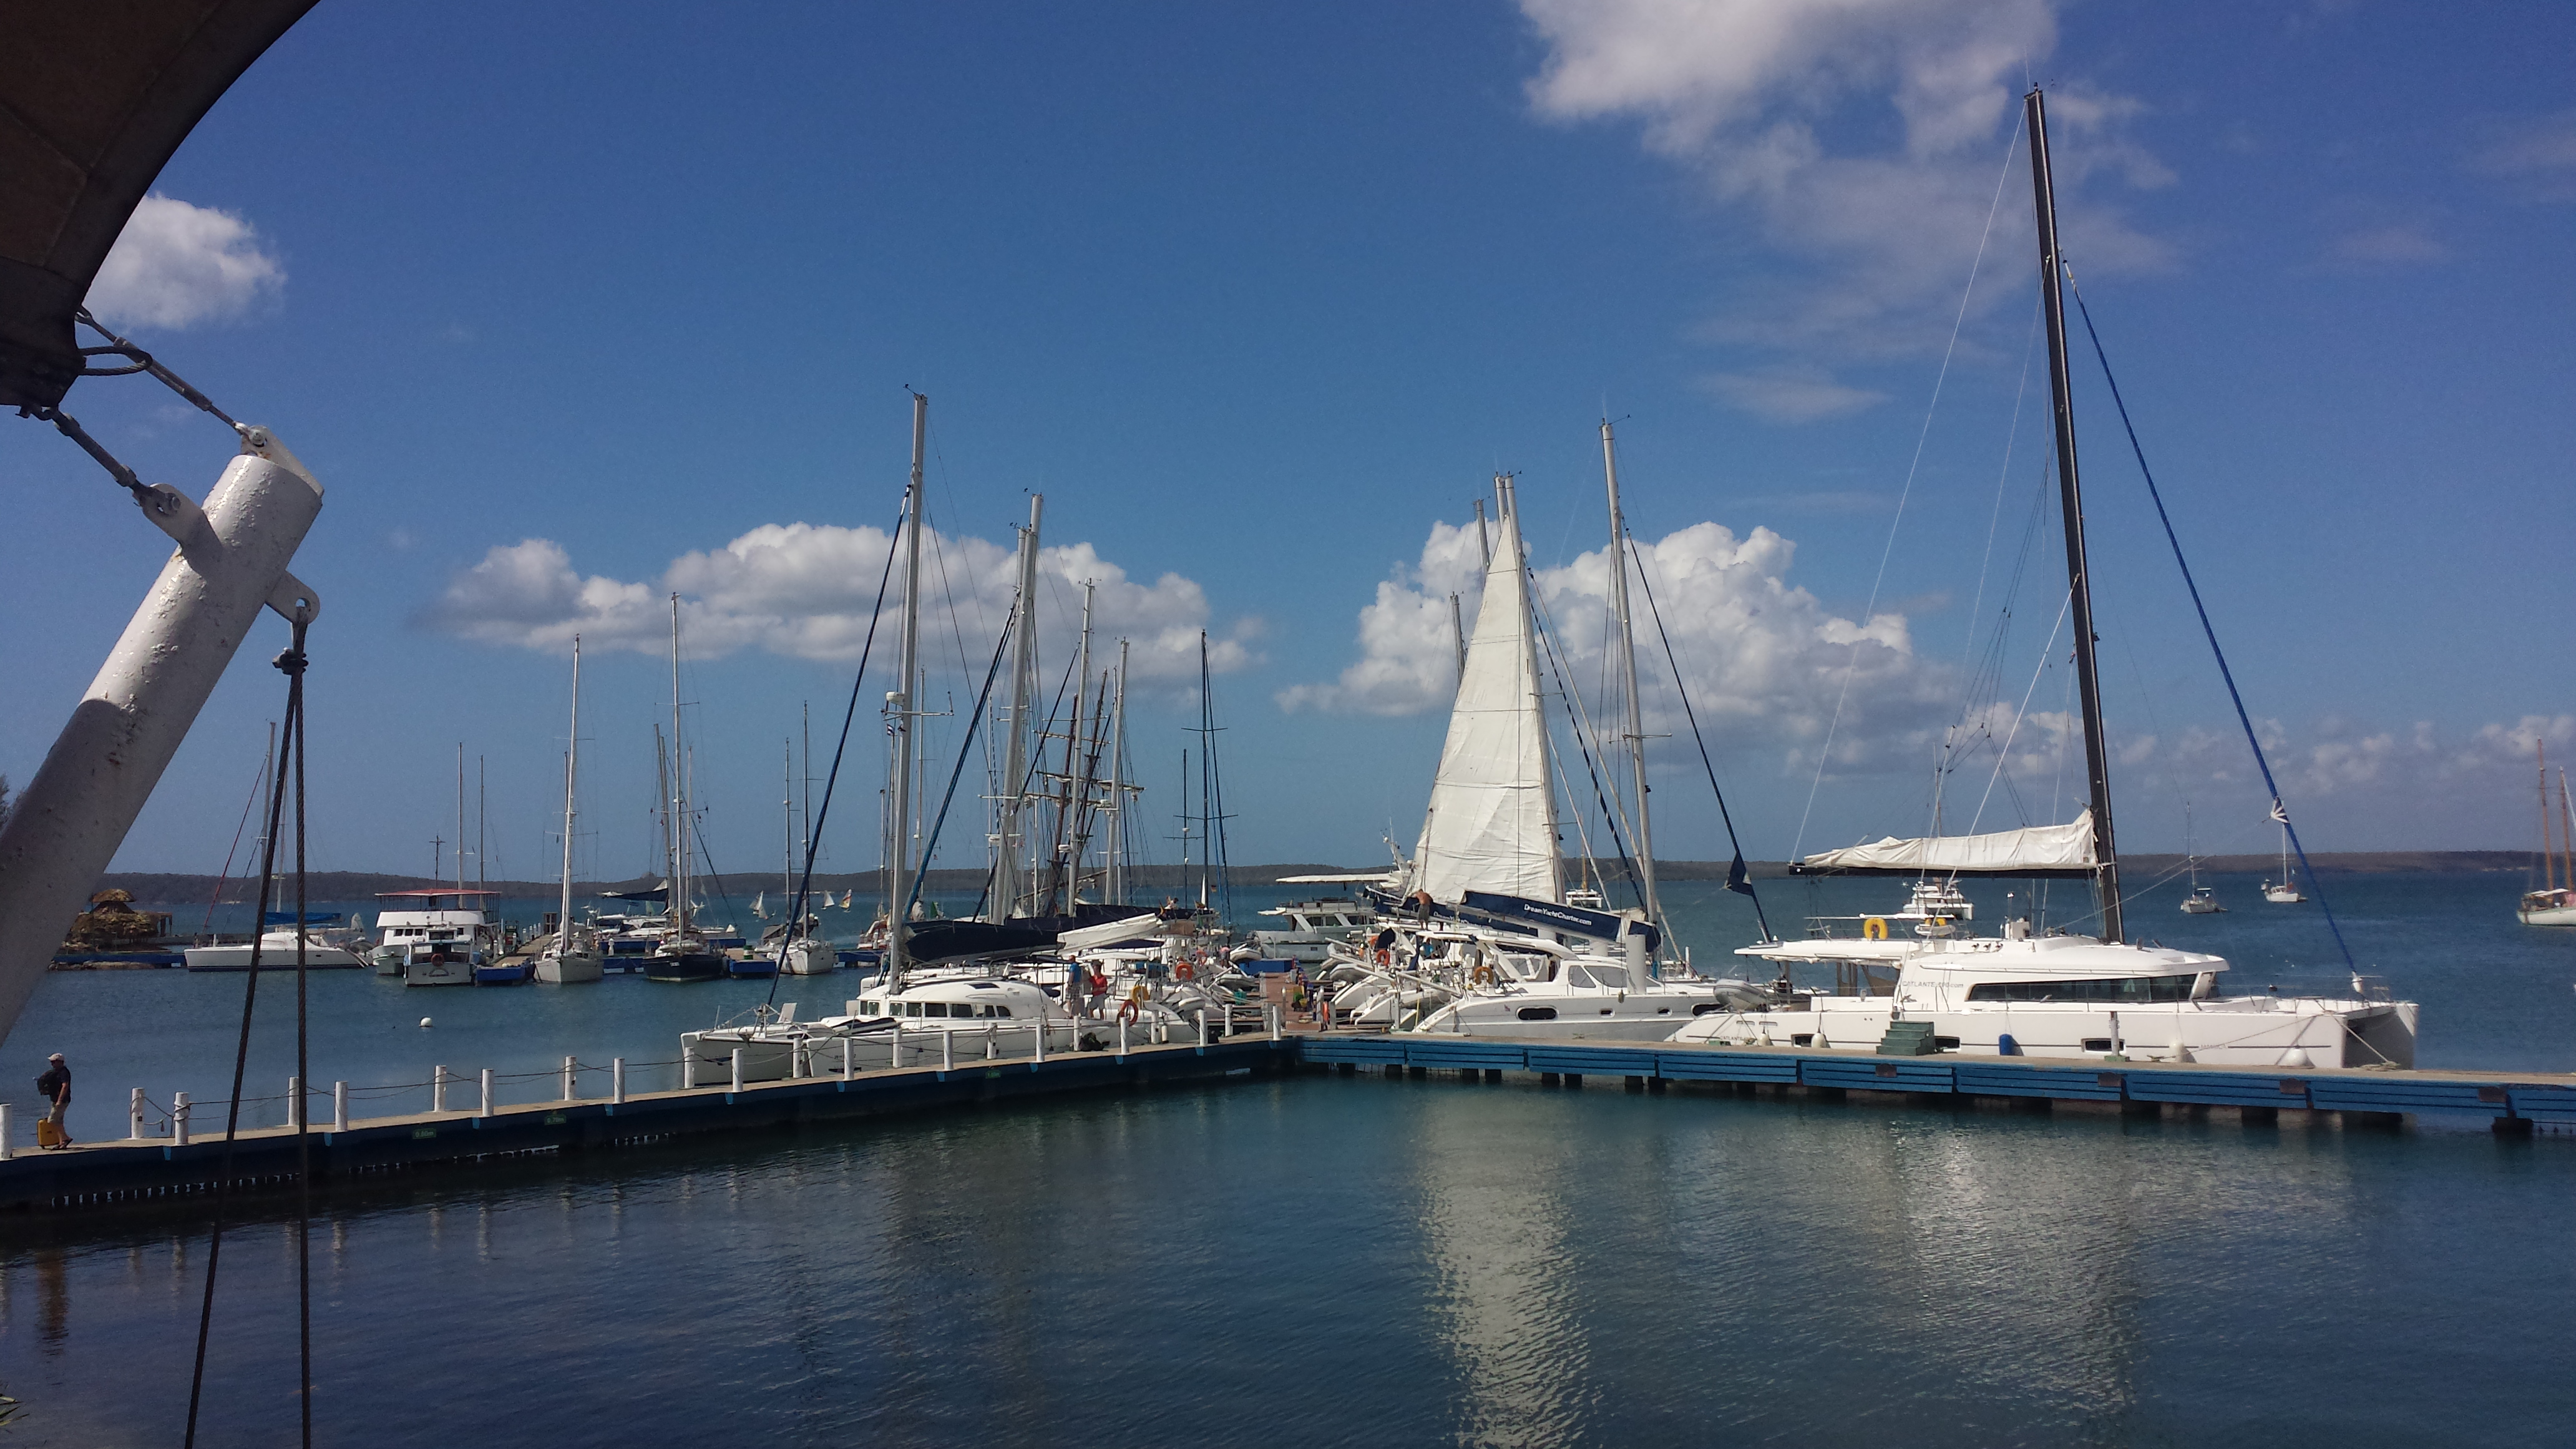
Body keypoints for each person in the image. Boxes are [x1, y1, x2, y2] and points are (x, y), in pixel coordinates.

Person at [34, 1053, 70, 1148]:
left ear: (60, 1062)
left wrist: (60, 1100)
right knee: (59, 1121)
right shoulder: (56, 1072)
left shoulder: (64, 1072)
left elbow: (65, 1086)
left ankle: (66, 1138)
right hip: (55, 1099)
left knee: (53, 1120)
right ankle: (62, 1142)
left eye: (54, 1062)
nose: (52, 1064)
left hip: (61, 1100)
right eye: (51, 1062)